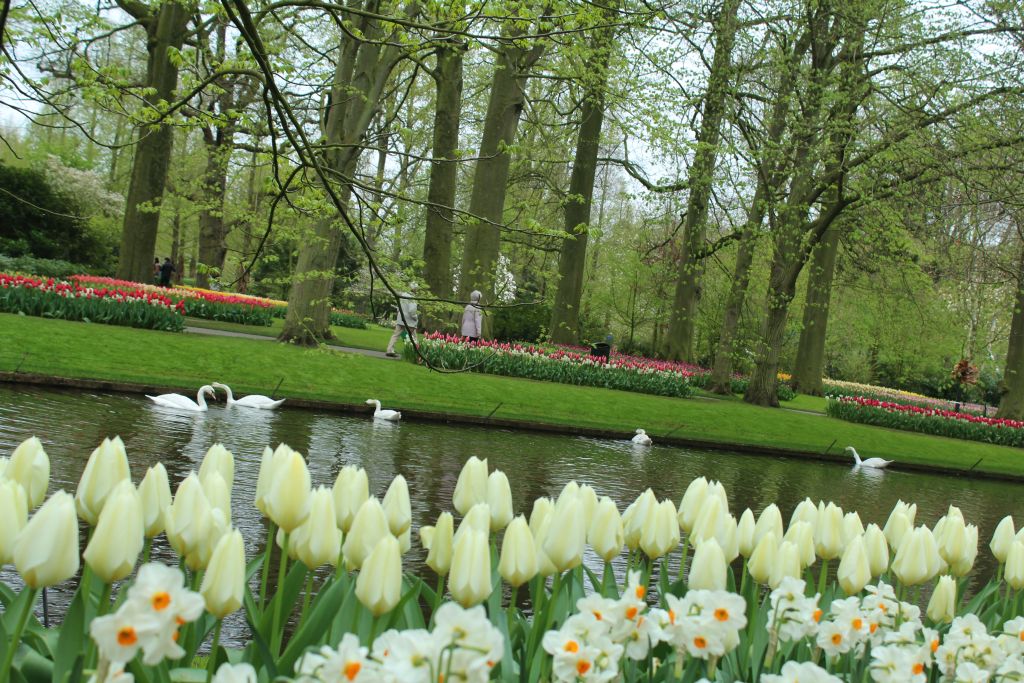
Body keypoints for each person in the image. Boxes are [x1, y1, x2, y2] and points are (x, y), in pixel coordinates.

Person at [385, 283, 419, 357]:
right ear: (414, 289)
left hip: (401, 319)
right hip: (409, 321)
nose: (417, 290)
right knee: (413, 337)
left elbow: (398, 308)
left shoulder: (402, 295)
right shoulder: (412, 298)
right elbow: (411, 311)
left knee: (395, 335)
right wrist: (416, 317)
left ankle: (389, 350)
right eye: (417, 289)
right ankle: (416, 353)